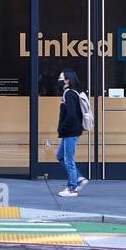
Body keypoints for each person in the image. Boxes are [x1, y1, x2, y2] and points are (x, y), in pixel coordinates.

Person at [55, 69, 89, 197]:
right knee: (60, 156)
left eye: (60, 77)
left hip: (70, 132)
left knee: (69, 159)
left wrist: (63, 127)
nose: (58, 79)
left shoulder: (69, 93)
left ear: (67, 80)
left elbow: (71, 115)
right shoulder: (72, 93)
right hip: (70, 131)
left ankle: (72, 188)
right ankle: (79, 179)